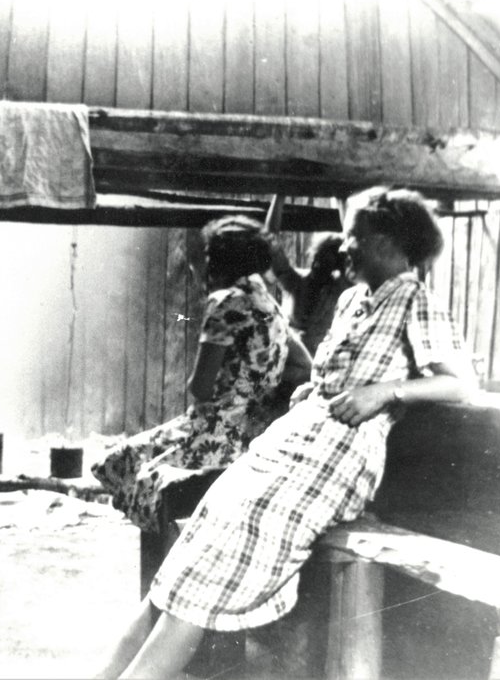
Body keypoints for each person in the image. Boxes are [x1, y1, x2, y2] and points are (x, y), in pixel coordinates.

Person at [95, 188, 474, 679]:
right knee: (195, 548)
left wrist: (386, 392)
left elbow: (460, 382)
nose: (344, 246)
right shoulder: (352, 300)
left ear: (388, 242)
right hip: (289, 442)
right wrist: (310, 393)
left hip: (337, 455)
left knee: (217, 566)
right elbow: (325, 374)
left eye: (354, 236)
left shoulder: (415, 299)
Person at [91, 216, 305, 532]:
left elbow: (201, 388)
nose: (202, 265)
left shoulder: (224, 302)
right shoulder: (266, 299)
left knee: (116, 463)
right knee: (144, 470)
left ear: (219, 262)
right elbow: (304, 365)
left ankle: (159, 558)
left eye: (207, 257)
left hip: (216, 430)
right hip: (256, 429)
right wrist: (257, 389)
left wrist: (232, 389)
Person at [264, 194, 352, 355]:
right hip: (289, 358)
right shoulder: (295, 282)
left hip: (323, 360)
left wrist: (339, 200)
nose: (317, 266)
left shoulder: (340, 289)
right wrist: (279, 196)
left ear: (336, 267)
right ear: (311, 256)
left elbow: (353, 244)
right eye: (316, 259)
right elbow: (270, 241)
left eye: (325, 263)